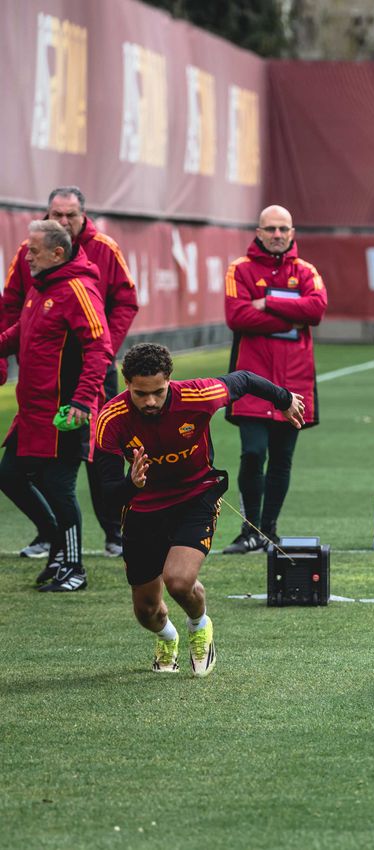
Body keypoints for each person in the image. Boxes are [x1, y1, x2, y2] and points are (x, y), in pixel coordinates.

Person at [96, 343, 305, 676]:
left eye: (158, 392)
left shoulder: (198, 395)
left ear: (170, 380)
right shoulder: (111, 418)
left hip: (196, 496)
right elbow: (107, 493)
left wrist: (284, 399)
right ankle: (167, 637)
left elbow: (244, 379)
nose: (150, 401)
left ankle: (199, 625)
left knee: (179, 582)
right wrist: (130, 485)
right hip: (143, 508)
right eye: (140, 394)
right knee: (147, 611)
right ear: (127, 384)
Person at [3, 186, 138, 558]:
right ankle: (53, 539)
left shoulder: (91, 266)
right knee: (20, 473)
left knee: (96, 456)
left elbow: (121, 309)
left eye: (70, 214)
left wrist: (99, 353)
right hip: (42, 389)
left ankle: (107, 537)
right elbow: (14, 313)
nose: (63, 220)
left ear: (83, 216)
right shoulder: (37, 268)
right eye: (56, 214)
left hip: (81, 384)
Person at [0, 220, 112, 591]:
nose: (27, 257)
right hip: (32, 413)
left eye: (33, 251)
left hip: (65, 413)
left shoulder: (78, 289)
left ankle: (74, 568)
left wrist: (82, 400)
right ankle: (55, 543)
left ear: (57, 253)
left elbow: (100, 348)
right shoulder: (41, 288)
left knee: (59, 487)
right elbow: (21, 334)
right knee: (9, 475)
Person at [221, 205, 327, 553]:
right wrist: (290, 317)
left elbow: (316, 309)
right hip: (251, 383)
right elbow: (237, 316)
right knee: (253, 453)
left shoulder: (307, 271)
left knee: (282, 458)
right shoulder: (240, 269)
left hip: (294, 381)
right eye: (271, 229)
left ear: (292, 233)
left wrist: (267, 302)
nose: (277, 235)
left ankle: (268, 531)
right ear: (259, 232)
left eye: (283, 229)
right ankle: (250, 529)